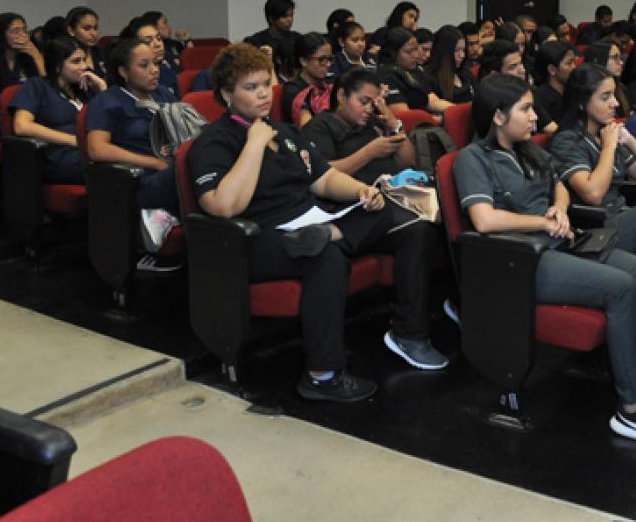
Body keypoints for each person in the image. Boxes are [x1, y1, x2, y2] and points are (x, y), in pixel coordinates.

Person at [189, 46, 447, 401]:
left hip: (311, 221)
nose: (264, 93)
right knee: (326, 257)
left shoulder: (285, 132)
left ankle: (408, 332)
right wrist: (254, 144)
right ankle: (322, 376)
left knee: (401, 217)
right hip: (259, 238)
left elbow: (322, 180)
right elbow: (223, 206)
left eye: (266, 84)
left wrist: (361, 192)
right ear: (226, 94)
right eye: (251, 87)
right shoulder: (215, 141)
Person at [453, 74, 636, 448]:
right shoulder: (472, 158)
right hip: (522, 262)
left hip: (559, 242)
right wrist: (543, 221)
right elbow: (484, 220)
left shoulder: (528, 150)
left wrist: (559, 208)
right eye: (524, 109)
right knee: (621, 288)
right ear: (497, 116)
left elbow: (557, 183)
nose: (534, 117)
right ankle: (633, 409)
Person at [549, 63, 636, 255]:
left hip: (623, 213)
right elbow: (593, 194)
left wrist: (631, 142)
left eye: (614, 95)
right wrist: (609, 146)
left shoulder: (605, 133)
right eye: (605, 97)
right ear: (581, 102)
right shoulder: (567, 140)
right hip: (599, 225)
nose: (615, 103)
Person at [85, 37, 180, 267]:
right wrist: (153, 163)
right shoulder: (108, 102)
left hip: (170, 168)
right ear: (123, 71)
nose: (154, 71)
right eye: (144, 65)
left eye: (156, 64)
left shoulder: (164, 95)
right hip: (139, 180)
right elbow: (96, 149)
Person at [9, 35, 106, 184]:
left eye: (84, 60)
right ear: (57, 65)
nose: (83, 66)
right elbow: (22, 126)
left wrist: (102, 90)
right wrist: (73, 140)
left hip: (90, 149)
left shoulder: (86, 88)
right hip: (58, 155)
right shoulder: (37, 86)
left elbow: (111, 123)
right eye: (76, 61)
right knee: (114, 169)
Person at [302, 68, 413, 182]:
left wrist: (395, 124)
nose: (369, 109)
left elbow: (406, 163)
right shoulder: (320, 126)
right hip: (361, 195)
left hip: (398, 187)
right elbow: (322, 173)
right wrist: (369, 152)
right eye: (364, 102)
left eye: (373, 104)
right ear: (341, 96)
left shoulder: (374, 120)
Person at [0, 13, 44, 141]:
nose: (23, 35)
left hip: (25, 113)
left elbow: (46, 88)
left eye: (24, 30)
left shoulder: (26, 58)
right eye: (15, 31)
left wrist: (37, 56)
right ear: (1, 35)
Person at [480, 39, 556, 133]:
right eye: (513, 67)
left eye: (521, 64)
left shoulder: (527, 94)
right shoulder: (489, 104)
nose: (523, 70)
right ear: (496, 75)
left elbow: (550, 127)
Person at [378, 27, 452, 117]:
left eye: (416, 49)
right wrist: (439, 120)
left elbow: (432, 100)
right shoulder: (387, 76)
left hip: (426, 121)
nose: (416, 55)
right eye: (409, 52)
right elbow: (404, 116)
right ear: (393, 53)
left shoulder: (415, 70)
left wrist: (456, 110)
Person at [282, 33, 334, 128]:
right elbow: (309, 128)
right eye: (322, 59)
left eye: (330, 59)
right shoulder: (293, 90)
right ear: (303, 61)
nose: (328, 64)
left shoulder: (329, 83)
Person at [243, 0, 302, 79]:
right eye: (284, 16)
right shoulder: (255, 41)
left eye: (291, 15)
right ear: (271, 19)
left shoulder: (298, 39)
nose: (289, 20)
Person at [122, 16, 180, 97]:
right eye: (148, 40)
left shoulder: (166, 70)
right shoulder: (134, 80)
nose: (157, 44)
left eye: (159, 38)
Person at [424, 26, 474, 105]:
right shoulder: (430, 78)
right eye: (456, 50)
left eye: (463, 50)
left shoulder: (465, 72)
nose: (462, 55)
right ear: (443, 52)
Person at [583, 41, 631, 117]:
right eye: (615, 58)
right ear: (598, 59)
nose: (621, 63)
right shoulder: (587, 90)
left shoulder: (621, 87)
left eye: (620, 58)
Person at [533, 40, 576, 123]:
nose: (574, 67)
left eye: (574, 62)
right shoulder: (542, 97)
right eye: (569, 63)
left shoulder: (573, 88)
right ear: (552, 69)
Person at [65, 6, 108, 77]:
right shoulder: (65, 55)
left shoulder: (102, 53)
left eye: (95, 28)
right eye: (87, 28)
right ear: (71, 30)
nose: (94, 33)